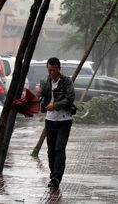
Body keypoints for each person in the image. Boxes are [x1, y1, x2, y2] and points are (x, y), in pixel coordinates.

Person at [37, 57, 75, 190]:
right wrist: (36, 101)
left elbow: (70, 98)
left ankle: (56, 178)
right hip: (50, 120)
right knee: (50, 151)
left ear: (59, 68)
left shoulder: (66, 81)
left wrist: (56, 105)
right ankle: (53, 175)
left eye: (54, 70)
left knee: (59, 149)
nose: (52, 73)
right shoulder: (45, 82)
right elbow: (40, 96)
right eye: (50, 70)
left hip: (64, 120)